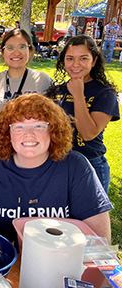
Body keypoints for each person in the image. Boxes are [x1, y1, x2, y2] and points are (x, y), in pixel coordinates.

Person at [0, 94, 112, 245]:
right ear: (7, 133)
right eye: (19, 127)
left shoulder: (75, 166)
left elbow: (100, 241)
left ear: (53, 131)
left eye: (39, 126)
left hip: (61, 263)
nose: (29, 134)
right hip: (3, 263)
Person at [48, 35, 119, 194]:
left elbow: (88, 133)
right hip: (58, 164)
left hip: (90, 165)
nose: (75, 64)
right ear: (63, 61)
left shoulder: (105, 94)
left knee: (89, 218)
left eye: (83, 58)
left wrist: (78, 95)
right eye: (70, 58)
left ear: (94, 61)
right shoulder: (56, 91)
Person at [0, 29, 53, 150]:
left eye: (22, 47)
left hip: (28, 154)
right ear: (2, 52)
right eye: (10, 47)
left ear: (30, 51)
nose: (16, 53)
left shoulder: (43, 81)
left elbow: (55, 121)